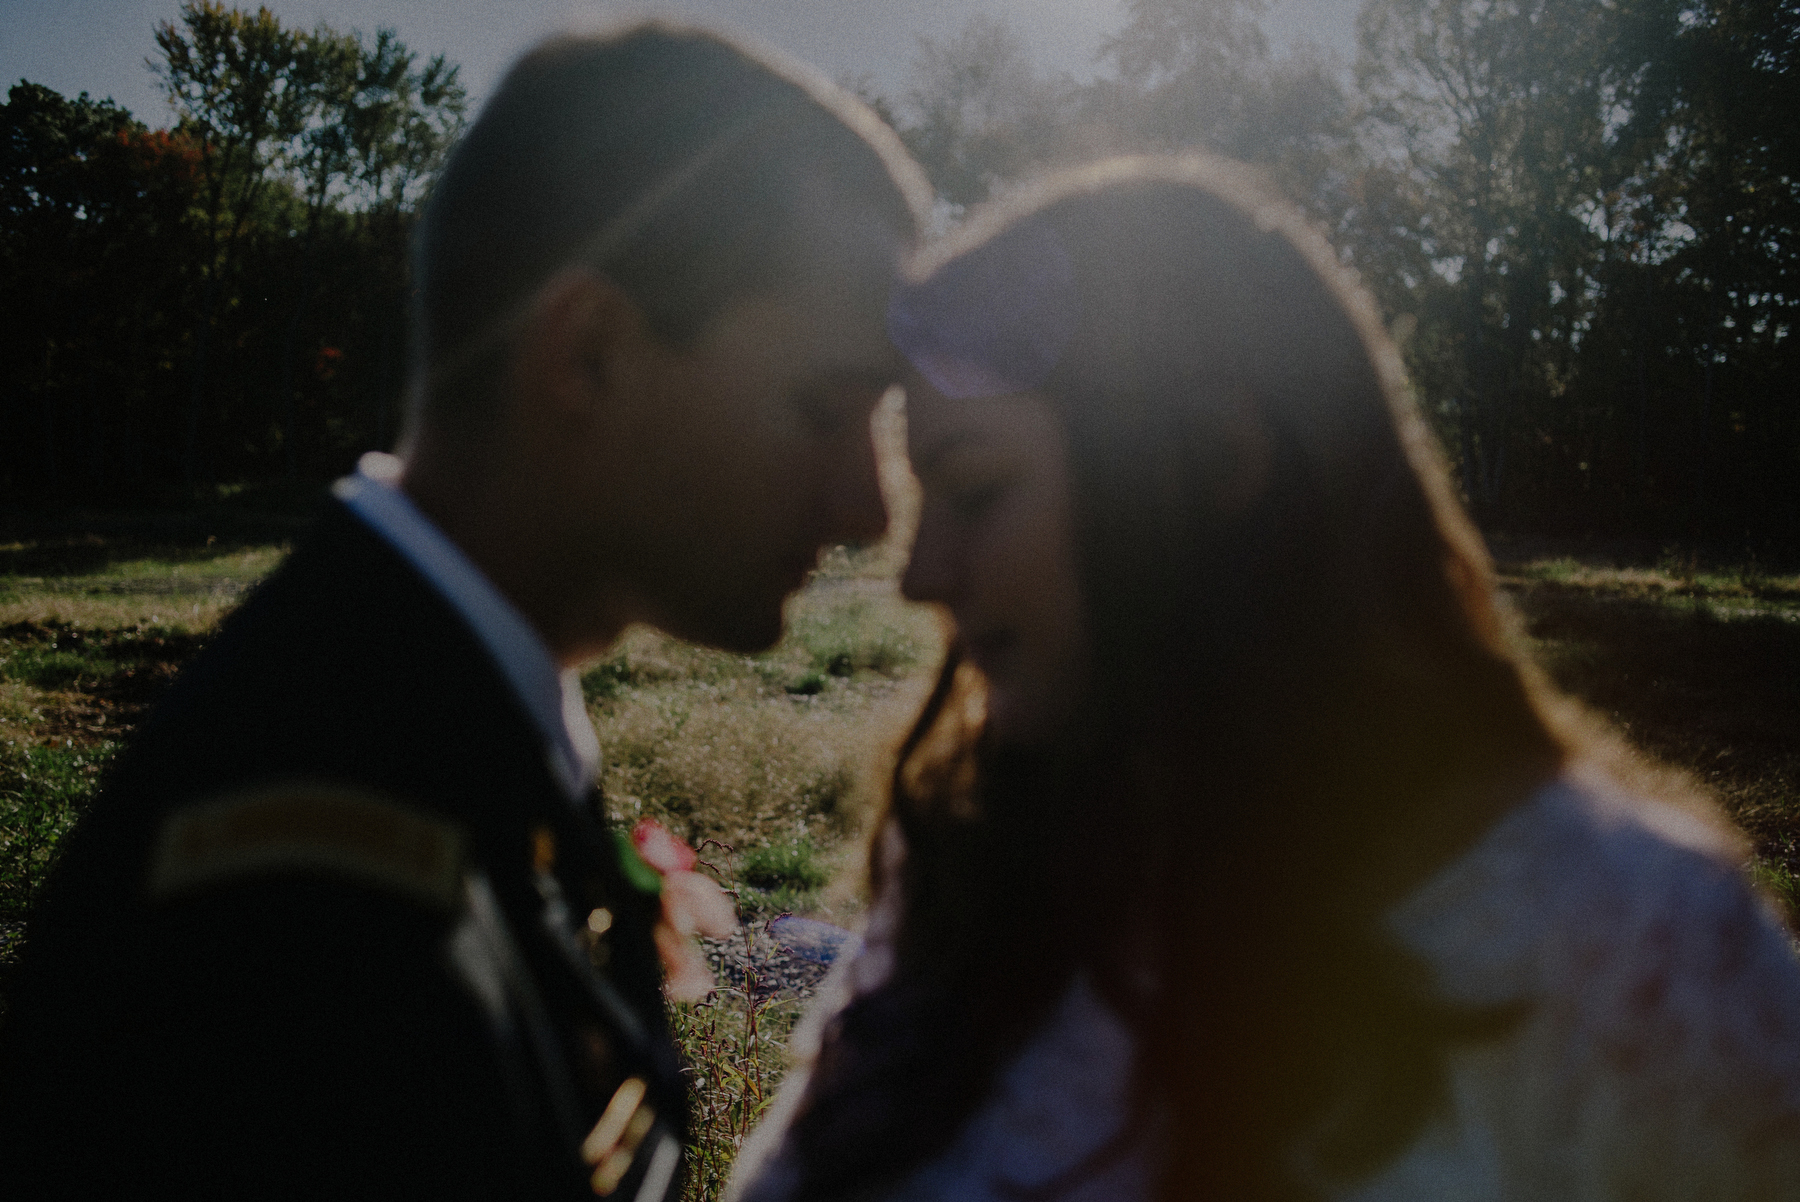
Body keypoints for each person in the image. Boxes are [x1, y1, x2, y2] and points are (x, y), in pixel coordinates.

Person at [727, 156, 1800, 1202]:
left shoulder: (1647, 960)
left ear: (1216, 465)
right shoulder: (977, 857)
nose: (919, 574)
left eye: (974, 488)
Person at [0, 22, 929, 1200]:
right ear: (587, 352)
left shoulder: (428, 715)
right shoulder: (304, 902)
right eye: (822, 407)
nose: (872, 504)